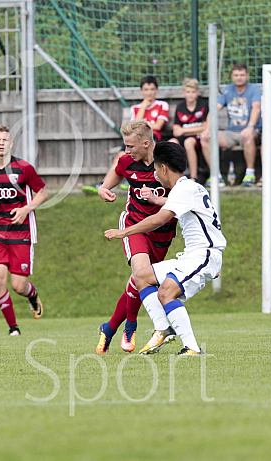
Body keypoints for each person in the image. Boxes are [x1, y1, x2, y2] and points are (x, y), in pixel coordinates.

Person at [105, 141, 227, 355]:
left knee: (167, 293)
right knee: (141, 277)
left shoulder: (183, 189)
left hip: (203, 255)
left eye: (156, 171)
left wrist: (123, 232)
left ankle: (192, 348)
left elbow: (158, 220)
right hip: (197, 256)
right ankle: (162, 329)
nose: (155, 176)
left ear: (163, 168)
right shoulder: (188, 187)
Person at [94, 120, 178, 354]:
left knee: (141, 282)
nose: (127, 150)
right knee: (141, 274)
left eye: (130, 145)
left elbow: (183, 197)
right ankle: (131, 327)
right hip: (134, 225)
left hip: (163, 232)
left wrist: (158, 200)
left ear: (146, 143)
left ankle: (109, 328)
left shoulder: (167, 161)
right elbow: (110, 180)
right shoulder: (126, 162)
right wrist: (103, 189)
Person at [0, 125, 48, 336]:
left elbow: (42, 193)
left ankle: (32, 295)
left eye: (4, 140)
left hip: (21, 232)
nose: (1, 143)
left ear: (11, 144)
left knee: (18, 286)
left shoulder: (24, 168)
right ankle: (13, 328)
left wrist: (26, 209)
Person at [83, 76, 169, 194]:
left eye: (152, 89)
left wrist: (145, 127)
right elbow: (135, 127)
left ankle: (129, 180)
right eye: (146, 89)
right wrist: (144, 106)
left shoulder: (162, 105)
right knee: (120, 157)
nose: (149, 93)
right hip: (134, 139)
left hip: (152, 139)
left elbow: (158, 126)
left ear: (157, 90)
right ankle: (103, 184)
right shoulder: (136, 108)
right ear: (141, 91)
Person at [201, 63, 261, 186]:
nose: (239, 78)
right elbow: (213, 110)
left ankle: (250, 174)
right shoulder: (227, 90)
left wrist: (250, 126)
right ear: (232, 76)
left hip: (250, 130)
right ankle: (216, 176)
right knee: (205, 138)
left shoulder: (254, 89)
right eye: (236, 75)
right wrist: (207, 129)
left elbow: (256, 108)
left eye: (242, 75)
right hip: (231, 132)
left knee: (247, 135)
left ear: (247, 76)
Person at [168, 78, 211, 184]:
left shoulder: (203, 105)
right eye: (188, 92)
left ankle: (194, 177)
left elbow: (205, 127)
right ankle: (172, 178)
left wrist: (184, 130)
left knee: (188, 142)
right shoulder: (180, 107)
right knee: (171, 143)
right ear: (184, 93)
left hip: (198, 138)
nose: (190, 95)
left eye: (193, 92)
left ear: (197, 93)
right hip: (184, 136)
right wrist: (183, 131)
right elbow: (176, 131)